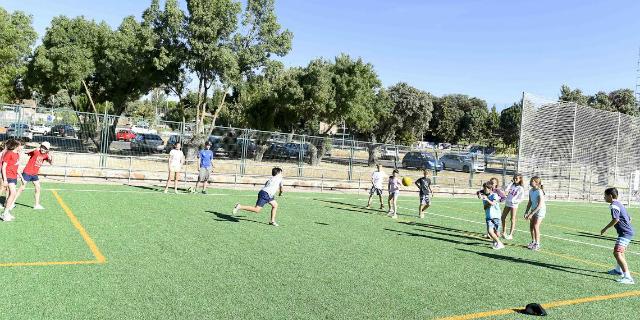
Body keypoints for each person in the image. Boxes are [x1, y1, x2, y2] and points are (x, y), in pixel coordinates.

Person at [601, 187, 635, 284]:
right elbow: (629, 218)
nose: (604, 198)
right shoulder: (619, 204)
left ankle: (628, 277)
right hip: (626, 232)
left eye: (605, 196)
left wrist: (605, 228)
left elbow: (616, 219)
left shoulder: (614, 206)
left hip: (625, 233)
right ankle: (618, 270)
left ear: (610, 196)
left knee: (617, 252)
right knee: (620, 252)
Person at [15, 142, 53, 210]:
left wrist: (51, 158)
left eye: (45, 148)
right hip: (27, 172)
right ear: (40, 146)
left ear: (47, 149)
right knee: (22, 188)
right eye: (42, 147)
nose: (43, 149)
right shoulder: (36, 151)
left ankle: (36, 205)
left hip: (34, 174)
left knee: (38, 188)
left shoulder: (46, 155)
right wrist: (34, 149)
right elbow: (26, 152)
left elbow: (51, 163)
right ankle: (12, 202)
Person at [1, 139, 24, 221]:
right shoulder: (9, 153)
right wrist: (5, 179)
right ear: (16, 146)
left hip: (14, 176)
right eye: (20, 145)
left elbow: (16, 168)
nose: (21, 147)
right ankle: (4, 213)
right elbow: (3, 167)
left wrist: (22, 178)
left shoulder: (17, 155)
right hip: (8, 176)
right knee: (13, 193)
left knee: (12, 194)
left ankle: (6, 212)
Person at [479, 181, 505, 250]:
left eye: (485, 189)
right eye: (484, 189)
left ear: (490, 189)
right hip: (488, 217)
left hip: (496, 217)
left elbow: (493, 203)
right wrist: (484, 199)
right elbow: (485, 207)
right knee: (490, 231)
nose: (484, 190)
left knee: (497, 233)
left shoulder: (494, 195)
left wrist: (487, 200)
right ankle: (499, 243)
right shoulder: (485, 197)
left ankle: (496, 242)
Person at [523, 176, 546, 251]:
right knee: (531, 227)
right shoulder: (531, 191)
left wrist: (531, 214)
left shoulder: (539, 191)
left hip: (540, 210)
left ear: (536, 182)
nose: (530, 182)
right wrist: (526, 212)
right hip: (533, 209)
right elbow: (530, 202)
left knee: (536, 226)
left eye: (532, 181)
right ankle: (533, 242)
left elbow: (539, 205)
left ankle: (537, 244)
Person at [501, 174, 525, 240]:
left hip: (514, 204)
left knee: (512, 219)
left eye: (516, 178)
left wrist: (514, 201)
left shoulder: (520, 188)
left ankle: (510, 234)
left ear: (520, 179)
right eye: (514, 178)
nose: (515, 179)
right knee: (503, 217)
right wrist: (510, 182)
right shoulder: (512, 185)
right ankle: (504, 232)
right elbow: (506, 190)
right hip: (508, 202)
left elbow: (521, 198)